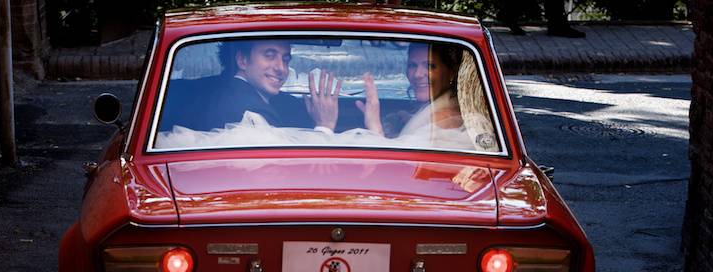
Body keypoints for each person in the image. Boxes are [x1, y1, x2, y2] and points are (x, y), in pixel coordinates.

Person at [358, 42, 499, 152]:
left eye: (430, 66)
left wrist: (374, 126)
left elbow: (397, 164)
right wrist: (407, 119)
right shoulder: (446, 107)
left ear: (450, 73)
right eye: (412, 65)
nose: (418, 74)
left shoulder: (446, 116)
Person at [202, 39, 342, 132]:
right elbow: (283, 171)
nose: (281, 68)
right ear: (242, 60)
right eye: (269, 55)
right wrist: (325, 125)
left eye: (285, 60)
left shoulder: (226, 93)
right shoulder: (251, 113)